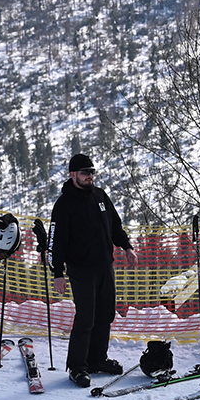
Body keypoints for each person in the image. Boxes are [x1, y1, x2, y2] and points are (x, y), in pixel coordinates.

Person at [49, 152, 134, 387]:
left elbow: (115, 226)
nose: (90, 176)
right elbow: (55, 242)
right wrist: (57, 274)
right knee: (86, 317)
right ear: (73, 174)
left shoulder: (100, 196)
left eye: (92, 172)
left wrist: (127, 246)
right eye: (86, 172)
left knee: (105, 314)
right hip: (81, 270)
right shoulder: (64, 204)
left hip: (105, 266)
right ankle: (77, 367)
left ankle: (97, 359)